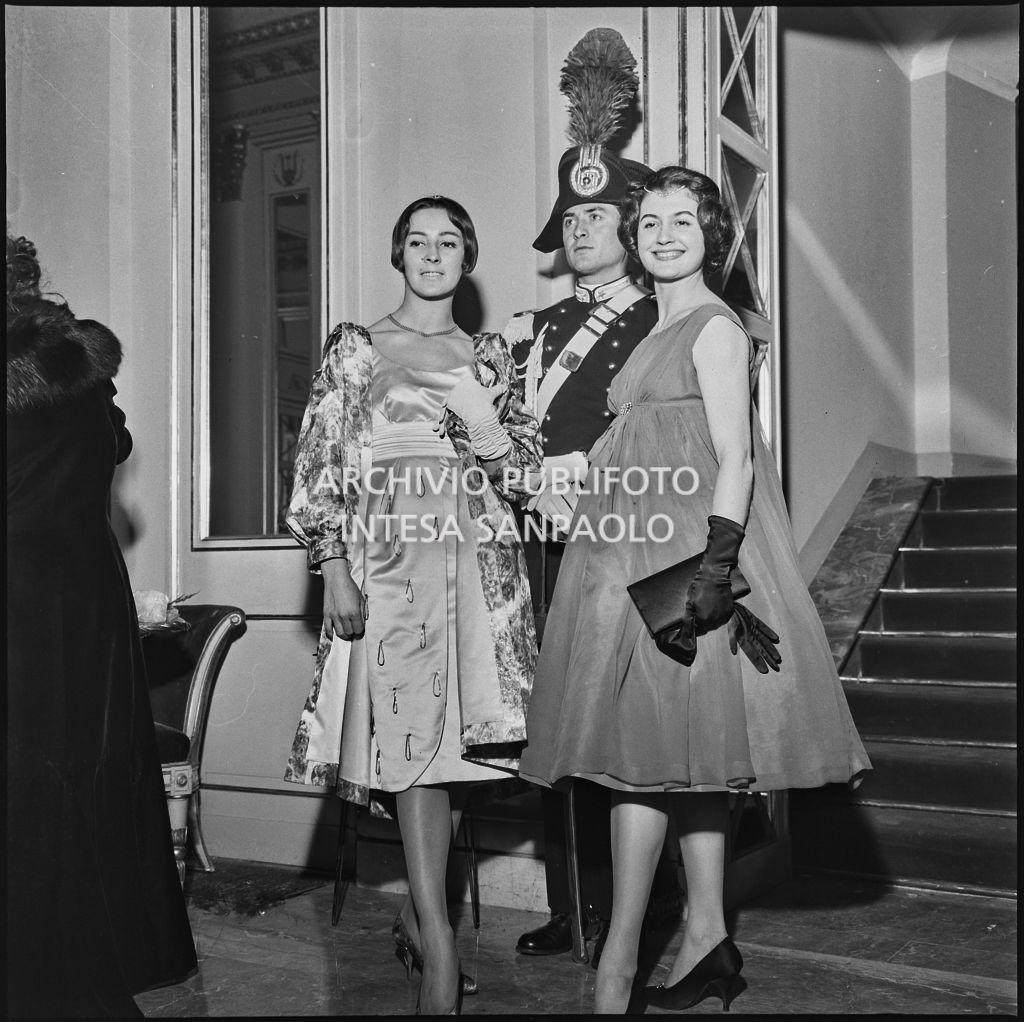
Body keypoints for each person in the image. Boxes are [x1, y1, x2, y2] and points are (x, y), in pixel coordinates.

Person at [517, 167, 871, 1014]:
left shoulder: (712, 327)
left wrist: (715, 571)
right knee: (680, 761)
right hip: (627, 549)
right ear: (635, 241)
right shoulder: (657, 324)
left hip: (676, 561)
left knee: (642, 765)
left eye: (685, 220)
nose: (666, 234)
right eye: (651, 223)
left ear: (712, 234)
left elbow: (736, 457)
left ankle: (619, 966)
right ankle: (709, 934)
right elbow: (635, 442)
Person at [283, 196, 540, 1015]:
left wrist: (491, 436)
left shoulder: (490, 354)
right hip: (388, 560)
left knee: (461, 752)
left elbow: (523, 464)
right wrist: (332, 565)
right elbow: (320, 460)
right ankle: (437, 941)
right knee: (410, 750)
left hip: (476, 561)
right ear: (399, 254)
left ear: (469, 257)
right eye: (419, 242)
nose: (434, 255)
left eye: (450, 242)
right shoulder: (357, 347)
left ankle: (415, 915)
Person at [504, 27, 681, 962]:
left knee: (623, 714)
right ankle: (572, 905)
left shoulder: (661, 316)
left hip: (625, 534)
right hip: (538, 535)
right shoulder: (535, 325)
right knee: (553, 712)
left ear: (631, 228)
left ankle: (635, 910)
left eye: (597, 218)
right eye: (568, 222)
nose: (578, 231)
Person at [6, 232, 197, 1017]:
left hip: (14, 589)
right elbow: (116, 443)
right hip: (83, 590)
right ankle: (101, 951)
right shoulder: (76, 360)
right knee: (82, 767)